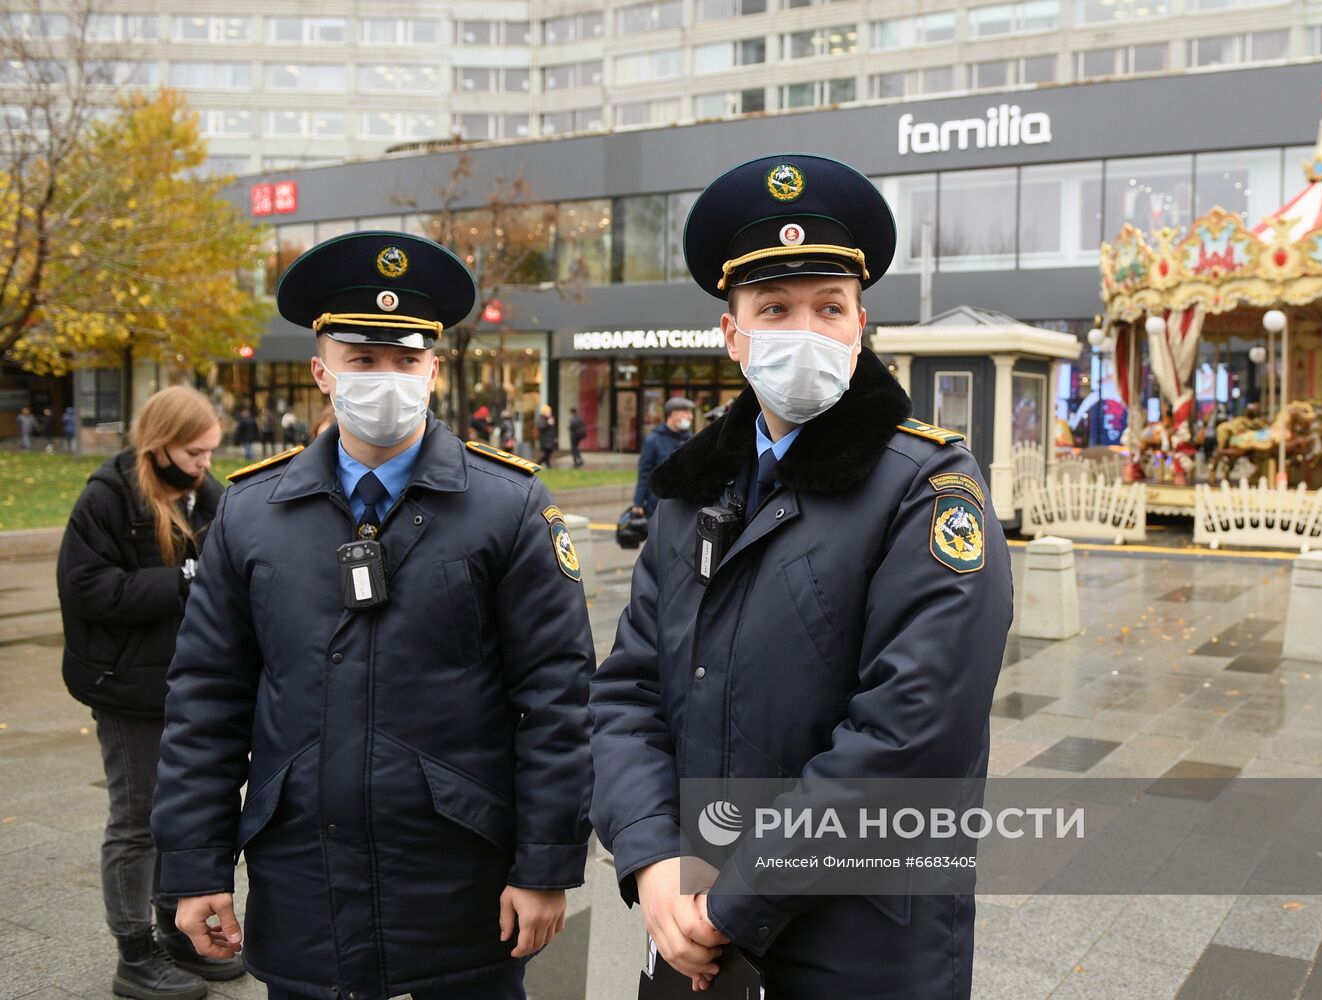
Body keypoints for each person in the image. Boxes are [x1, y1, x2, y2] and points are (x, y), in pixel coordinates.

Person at [589, 155, 1013, 999]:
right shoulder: (692, 490)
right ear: (732, 332)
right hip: (692, 932)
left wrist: (735, 899)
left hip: (858, 943)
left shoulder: (927, 490)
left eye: (829, 307)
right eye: (774, 309)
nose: (805, 331)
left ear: (861, 325)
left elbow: (909, 740)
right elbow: (628, 693)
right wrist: (653, 856)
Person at [151, 231, 595, 1000]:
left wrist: (546, 865)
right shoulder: (252, 513)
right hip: (303, 887)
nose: (385, 377)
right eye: (362, 359)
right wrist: (195, 868)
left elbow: (557, 699)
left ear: (434, 367)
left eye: (405, 358)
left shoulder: (508, 504)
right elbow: (205, 703)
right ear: (323, 370)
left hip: (462, 892)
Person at [56, 385, 241, 999]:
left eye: (211, 451)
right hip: (127, 686)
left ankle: (172, 932)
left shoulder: (209, 497)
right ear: (159, 446)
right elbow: (87, 587)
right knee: (136, 822)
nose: (204, 464)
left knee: (175, 815)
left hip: (187, 680)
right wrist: (178, 582)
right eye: (194, 453)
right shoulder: (108, 498)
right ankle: (132, 953)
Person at [631, 397, 694, 519]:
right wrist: (638, 502)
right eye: (687, 412)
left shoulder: (690, 439)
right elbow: (644, 473)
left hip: (684, 505)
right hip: (658, 506)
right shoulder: (653, 440)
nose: (690, 417)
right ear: (674, 414)